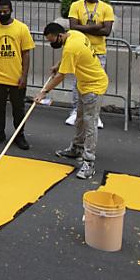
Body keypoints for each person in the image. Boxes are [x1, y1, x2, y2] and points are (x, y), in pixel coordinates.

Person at [40, 22, 109, 179]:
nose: (51, 43)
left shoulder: (71, 47)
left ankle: (89, 162)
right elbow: (70, 57)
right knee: (80, 119)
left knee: (90, 123)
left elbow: (60, 76)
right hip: (84, 84)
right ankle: (77, 148)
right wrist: (59, 64)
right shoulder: (74, 35)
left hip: (94, 86)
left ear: (60, 35)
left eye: (52, 40)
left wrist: (43, 92)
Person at [0, 0, 34, 148]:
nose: (2, 14)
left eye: (5, 11)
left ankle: (19, 135)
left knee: (18, 109)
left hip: (16, 77)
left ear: (11, 11)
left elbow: (26, 54)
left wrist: (24, 76)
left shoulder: (21, 28)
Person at [66, 0, 111, 128]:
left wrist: (83, 28)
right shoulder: (76, 5)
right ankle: (75, 111)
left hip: (98, 51)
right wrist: (96, 27)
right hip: (81, 50)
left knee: (96, 84)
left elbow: (107, 31)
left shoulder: (106, 8)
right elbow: (73, 27)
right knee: (78, 82)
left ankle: (95, 114)